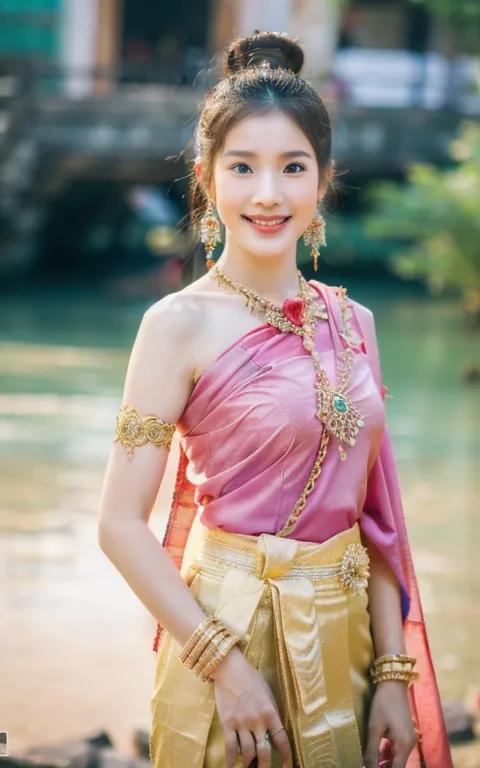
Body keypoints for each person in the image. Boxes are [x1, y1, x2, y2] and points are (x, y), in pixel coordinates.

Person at [98, 31, 453, 768]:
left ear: (323, 179)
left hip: (344, 633)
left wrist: (393, 673)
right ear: (207, 177)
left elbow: (376, 521)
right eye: (243, 167)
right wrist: (225, 668)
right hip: (222, 636)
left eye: (292, 166)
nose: (268, 193)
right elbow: (119, 525)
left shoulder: (356, 323)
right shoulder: (176, 326)